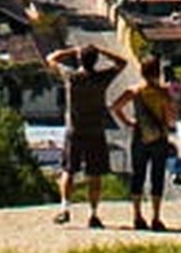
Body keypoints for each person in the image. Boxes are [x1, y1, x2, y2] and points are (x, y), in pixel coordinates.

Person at [47, 41, 126, 226]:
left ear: (80, 59)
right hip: (96, 130)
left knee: (68, 170)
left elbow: (51, 58)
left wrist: (71, 51)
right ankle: (93, 214)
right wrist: (103, 50)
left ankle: (65, 209)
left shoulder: (71, 77)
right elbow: (122, 63)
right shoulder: (101, 78)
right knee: (95, 174)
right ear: (95, 60)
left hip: (74, 130)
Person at [112, 53, 180, 230]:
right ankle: (156, 217)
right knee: (157, 177)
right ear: (158, 72)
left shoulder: (135, 91)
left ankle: (137, 216)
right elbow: (172, 118)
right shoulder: (164, 93)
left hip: (139, 136)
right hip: (159, 138)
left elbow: (115, 107)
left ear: (142, 71)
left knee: (138, 176)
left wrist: (129, 122)